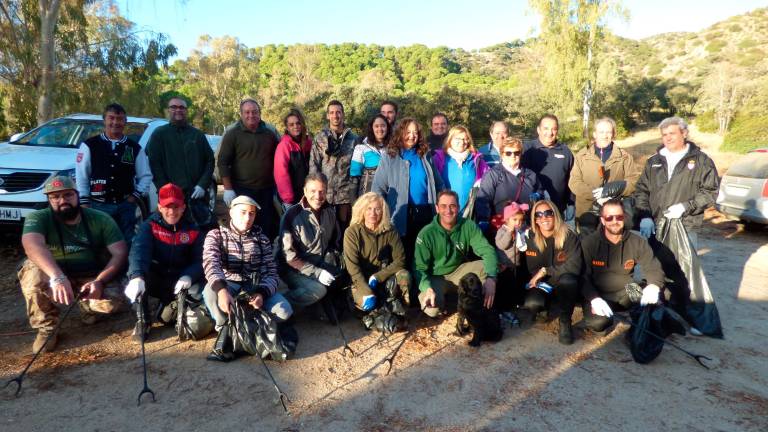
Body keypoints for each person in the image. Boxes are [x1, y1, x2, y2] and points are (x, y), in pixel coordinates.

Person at [19, 176, 127, 353]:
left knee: (112, 302)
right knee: (32, 273)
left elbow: (120, 252)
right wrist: (57, 276)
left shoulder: (100, 218)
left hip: (89, 273)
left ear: (77, 195)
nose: (62, 201)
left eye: (68, 194)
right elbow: (31, 245)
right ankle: (47, 327)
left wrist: (99, 281)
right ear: (48, 199)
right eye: (55, 197)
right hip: (53, 273)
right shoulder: (38, 217)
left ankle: (86, 305)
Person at [203, 195, 293, 361]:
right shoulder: (215, 235)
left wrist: (262, 294)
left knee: (284, 311)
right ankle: (226, 326)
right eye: (243, 212)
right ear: (231, 212)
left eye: (251, 214)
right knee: (210, 292)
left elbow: (271, 273)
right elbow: (211, 264)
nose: (247, 218)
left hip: (254, 285)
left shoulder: (262, 239)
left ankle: (246, 325)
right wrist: (222, 290)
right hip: (228, 284)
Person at [124, 183, 207, 342]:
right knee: (138, 279)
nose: (172, 211)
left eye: (176, 207)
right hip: (157, 277)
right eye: (167, 206)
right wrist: (137, 276)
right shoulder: (149, 227)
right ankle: (143, 320)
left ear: (183, 207)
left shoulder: (194, 229)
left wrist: (189, 275)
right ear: (159, 207)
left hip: (181, 279)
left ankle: (172, 307)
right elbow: (139, 252)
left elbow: (201, 259)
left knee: (198, 290)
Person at [580, 199, 666, 334]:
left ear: (624, 218)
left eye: (619, 217)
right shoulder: (589, 243)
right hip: (599, 292)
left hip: (627, 287)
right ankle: (604, 314)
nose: (615, 221)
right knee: (598, 323)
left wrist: (654, 285)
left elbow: (653, 267)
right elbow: (582, 275)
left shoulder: (636, 241)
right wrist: (594, 298)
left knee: (652, 305)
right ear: (602, 220)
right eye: (609, 217)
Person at [633, 117, 719, 247]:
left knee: (683, 267)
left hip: (685, 227)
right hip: (655, 226)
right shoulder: (653, 162)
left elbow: (710, 192)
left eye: (672, 133)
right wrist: (645, 216)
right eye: (664, 135)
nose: (668, 138)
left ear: (684, 133)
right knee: (656, 267)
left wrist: (685, 207)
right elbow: (641, 190)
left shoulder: (702, 161)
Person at [372, 117, 444, 270]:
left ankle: (422, 289)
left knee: (423, 257)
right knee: (401, 258)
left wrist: (441, 205)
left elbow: (439, 184)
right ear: (400, 133)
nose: (412, 136)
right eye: (408, 132)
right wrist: (380, 216)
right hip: (400, 213)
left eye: (415, 132)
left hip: (425, 213)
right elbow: (378, 188)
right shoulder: (389, 156)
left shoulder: (425, 155)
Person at [75, 103, 151, 246]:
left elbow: (146, 175)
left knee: (127, 241)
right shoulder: (90, 145)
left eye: (120, 119)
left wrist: (135, 196)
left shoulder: (134, 148)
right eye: (111, 118)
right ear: (104, 120)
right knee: (99, 242)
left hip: (125, 205)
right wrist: (84, 202)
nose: (115, 122)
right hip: (98, 205)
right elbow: (82, 176)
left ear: (125, 122)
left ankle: (127, 268)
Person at [415, 190, 498, 318]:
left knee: (484, 267)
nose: (448, 210)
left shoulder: (468, 225)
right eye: (443, 206)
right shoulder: (426, 234)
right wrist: (427, 288)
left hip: (458, 271)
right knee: (432, 310)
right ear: (437, 208)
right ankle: (446, 301)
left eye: (452, 206)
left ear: (458, 207)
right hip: (436, 276)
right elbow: (420, 269)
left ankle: (477, 302)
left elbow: (487, 250)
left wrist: (492, 278)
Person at [146, 96, 215, 228]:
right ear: (168, 110)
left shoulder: (197, 135)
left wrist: (202, 185)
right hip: (171, 200)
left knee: (200, 234)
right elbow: (154, 164)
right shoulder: (159, 134)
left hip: (197, 197)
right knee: (171, 234)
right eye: (174, 107)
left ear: (186, 111)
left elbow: (210, 161)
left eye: (182, 107)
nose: (178, 110)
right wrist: (165, 189)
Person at [277, 173, 341, 311]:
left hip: (320, 262)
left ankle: (317, 306)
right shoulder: (292, 215)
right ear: (305, 191)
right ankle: (282, 303)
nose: (318, 196)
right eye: (313, 191)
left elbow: (336, 241)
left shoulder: (330, 211)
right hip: (294, 268)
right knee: (319, 291)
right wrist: (318, 273)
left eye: (322, 191)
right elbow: (289, 258)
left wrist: (332, 262)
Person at [217, 99, 280, 238]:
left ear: (260, 113)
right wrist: (228, 189)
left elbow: (280, 156)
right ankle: (243, 257)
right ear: (241, 114)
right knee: (244, 226)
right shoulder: (232, 133)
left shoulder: (270, 133)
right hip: (242, 189)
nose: (251, 115)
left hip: (266, 190)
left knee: (266, 227)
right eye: (247, 112)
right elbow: (223, 162)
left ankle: (265, 256)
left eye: (254, 112)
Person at [523, 199, 582, 344]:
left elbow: (575, 266)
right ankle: (544, 308)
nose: (544, 217)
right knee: (532, 303)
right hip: (544, 284)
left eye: (548, 213)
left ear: (555, 214)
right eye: (539, 214)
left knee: (569, 280)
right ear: (535, 219)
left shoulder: (569, 235)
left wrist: (546, 271)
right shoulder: (530, 237)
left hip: (564, 282)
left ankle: (565, 320)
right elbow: (532, 269)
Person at [569, 117, 640, 235]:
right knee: (589, 248)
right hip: (587, 213)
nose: (605, 135)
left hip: (615, 214)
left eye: (608, 132)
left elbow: (633, 181)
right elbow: (574, 182)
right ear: (595, 134)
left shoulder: (624, 157)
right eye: (601, 132)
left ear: (613, 134)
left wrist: (610, 194)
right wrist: (596, 194)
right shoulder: (581, 156)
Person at [343, 192, 411, 313]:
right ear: (362, 210)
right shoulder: (352, 232)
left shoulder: (390, 230)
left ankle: (403, 308)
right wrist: (367, 292)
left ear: (383, 212)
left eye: (377, 209)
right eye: (369, 208)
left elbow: (400, 260)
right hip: (360, 280)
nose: (373, 213)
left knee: (404, 275)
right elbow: (352, 267)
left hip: (383, 276)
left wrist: (378, 277)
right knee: (368, 305)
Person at [309, 100, 359, 232]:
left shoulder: (354, 139)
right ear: (327, 116)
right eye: (332, 112)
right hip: (326, 195)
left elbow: (358, 168)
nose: (335, 115)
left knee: (345, 230)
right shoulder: (320, 138)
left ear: (343, 114)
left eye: (338, 112)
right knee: (325, 230)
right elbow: (314, 165)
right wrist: (314, 190)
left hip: (346, 196)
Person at [476, 137, 543, 229]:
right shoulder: (493, 174)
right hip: (501, 226)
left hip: (526, 225)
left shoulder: (530, 175)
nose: (513, 156)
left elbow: (540, 192)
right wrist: (483, 220)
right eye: (508, 153)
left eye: (516, 153)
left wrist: (537, 196)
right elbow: (483, 199)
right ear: (502, 154)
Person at [522, 114, 575, 217]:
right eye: (546, 128)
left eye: (554, 129)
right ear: (538, 130)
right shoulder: (527, 149)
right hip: (532, 211)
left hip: (557, 210)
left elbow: (572, 179)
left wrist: (571, 203)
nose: (550, 133)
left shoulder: (565, 151)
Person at [431, 125, 489, 216]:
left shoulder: (476, 159)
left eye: (465, 139)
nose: (462, 142)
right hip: (446, 212)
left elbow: (487, 178)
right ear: (450, 140)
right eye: (458, 138)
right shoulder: (439, 158)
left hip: (470, 212)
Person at [494, 201, 530, 322]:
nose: (518, 223)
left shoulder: (519, 229)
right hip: (504, 266)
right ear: (506, 220)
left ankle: (513, 304)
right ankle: (502, 310)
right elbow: (502, 245)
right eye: (514, 220)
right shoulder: (502, 231)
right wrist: (510, 232)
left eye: (520, 220)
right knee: (504, 288)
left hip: (515, 265)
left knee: (514, 286)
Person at [274, 108, 312, 209]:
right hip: (292, 199)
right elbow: (281, 174)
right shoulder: (284, 146)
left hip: (310, 196)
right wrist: (288, 199)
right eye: (291, 124)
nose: (295, 126)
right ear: (287, 127)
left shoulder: (309, 143)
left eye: (298, 123)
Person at [351, 114, 391, 196]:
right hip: (368, 195)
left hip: (389, 196)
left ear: (387, 128)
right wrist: (354, 204)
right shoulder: (361, 147)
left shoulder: (394, 148)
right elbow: (354, 177)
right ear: (372, 128)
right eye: (376, 126)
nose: (380, 129)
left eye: (383, 126)